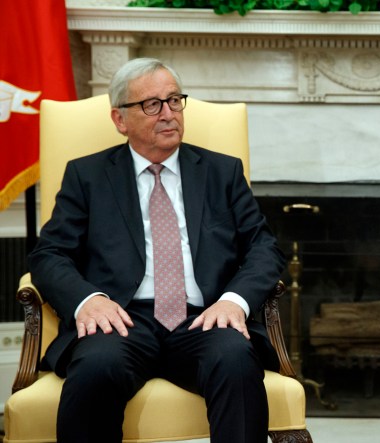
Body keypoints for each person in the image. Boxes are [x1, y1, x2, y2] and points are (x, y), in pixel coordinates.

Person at [29, 58, 286, 443]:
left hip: (205, 319)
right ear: (120, 119)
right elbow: (48, 254)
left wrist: (234, 301)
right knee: (95, 367)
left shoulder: (221, 172)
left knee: (236, 360)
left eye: (174, 101)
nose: (168, 113)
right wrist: (88, 301)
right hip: (121, 320)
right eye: (152, 104)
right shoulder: (87, 176)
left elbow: (264, 248)